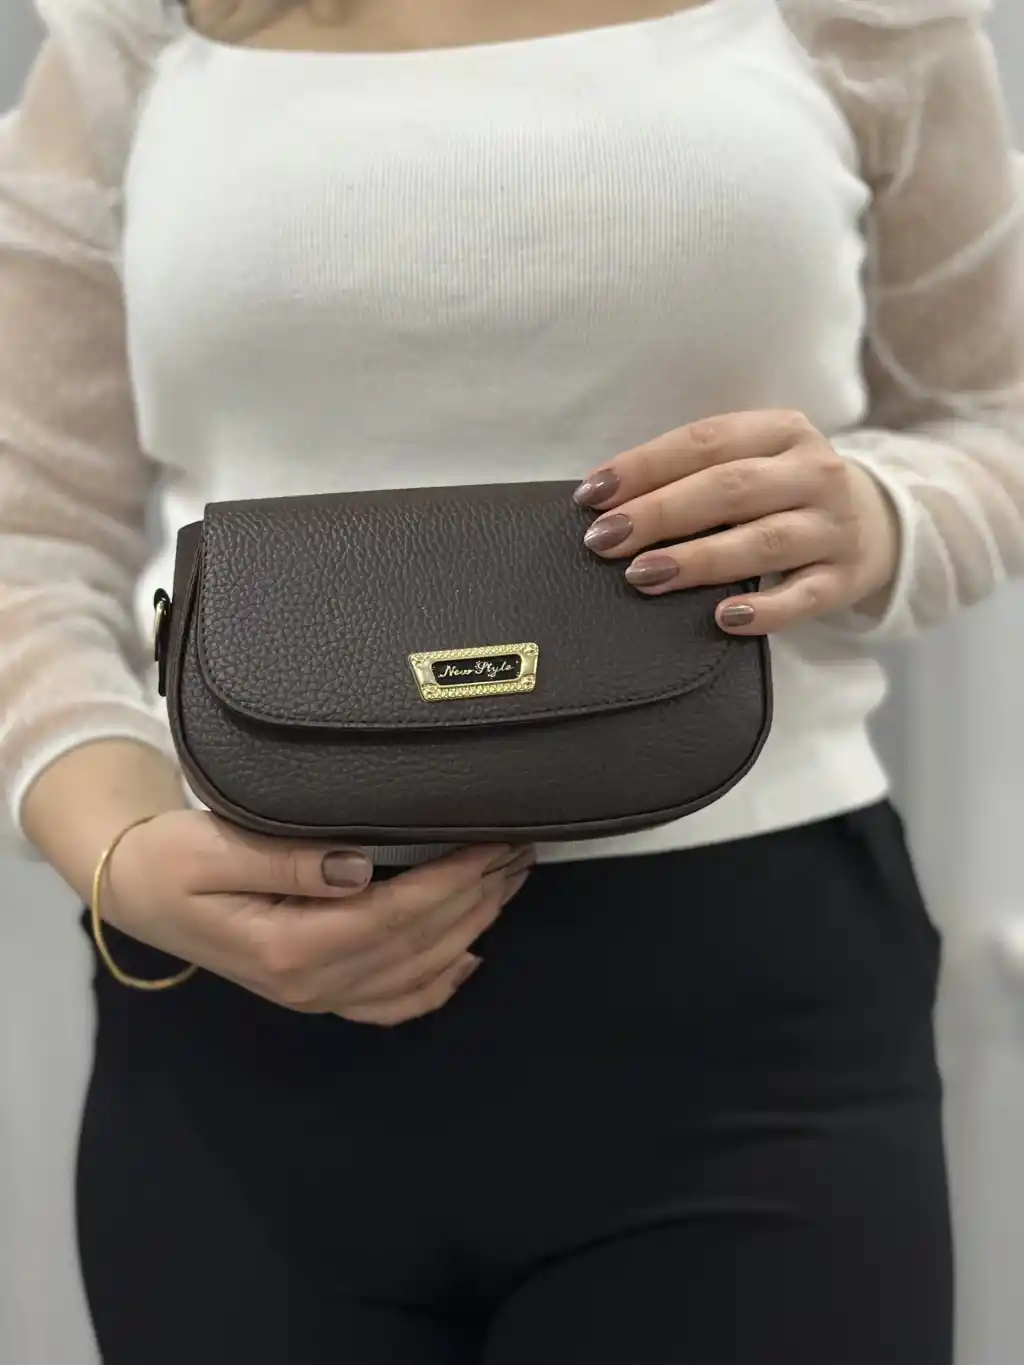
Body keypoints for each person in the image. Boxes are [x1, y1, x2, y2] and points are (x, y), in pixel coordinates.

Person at [1, 0, 1021, 1360]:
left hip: (746, 1007)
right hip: (243, 989)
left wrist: (876, 517)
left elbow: (998, 415)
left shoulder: (861, 20)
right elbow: (26, 537)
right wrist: (117, 849)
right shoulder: (140, 34)